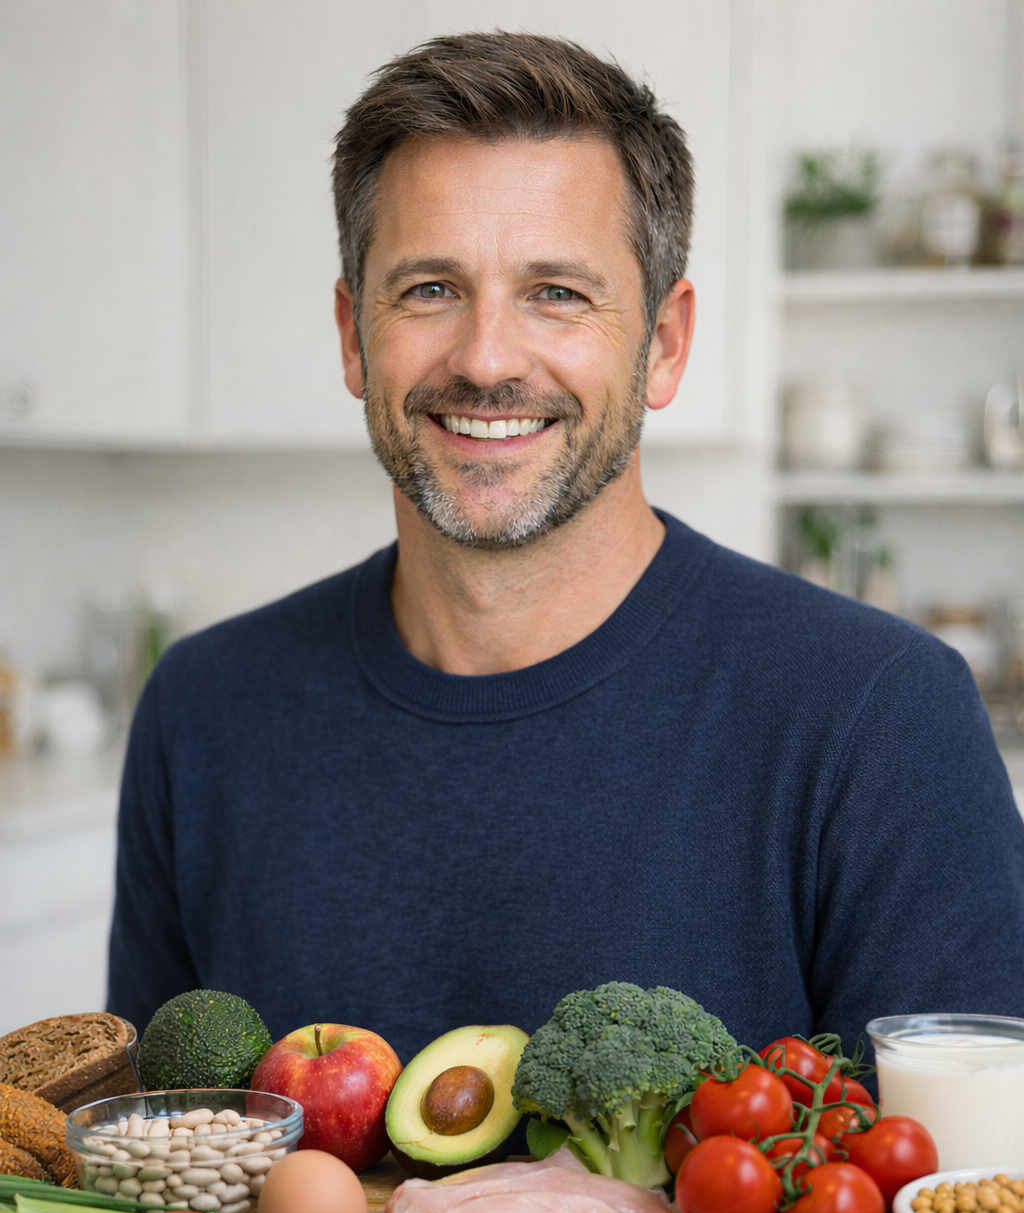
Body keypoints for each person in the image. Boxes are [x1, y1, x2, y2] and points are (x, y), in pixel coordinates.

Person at [108, 32, 1024, 1068]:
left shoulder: (882, 718)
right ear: (353, 336)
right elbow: (144, 1183)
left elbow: (960, 1205)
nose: (487, 357)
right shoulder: (204, 711)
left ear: (664, 343)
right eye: (428, 290)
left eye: (556, 292)